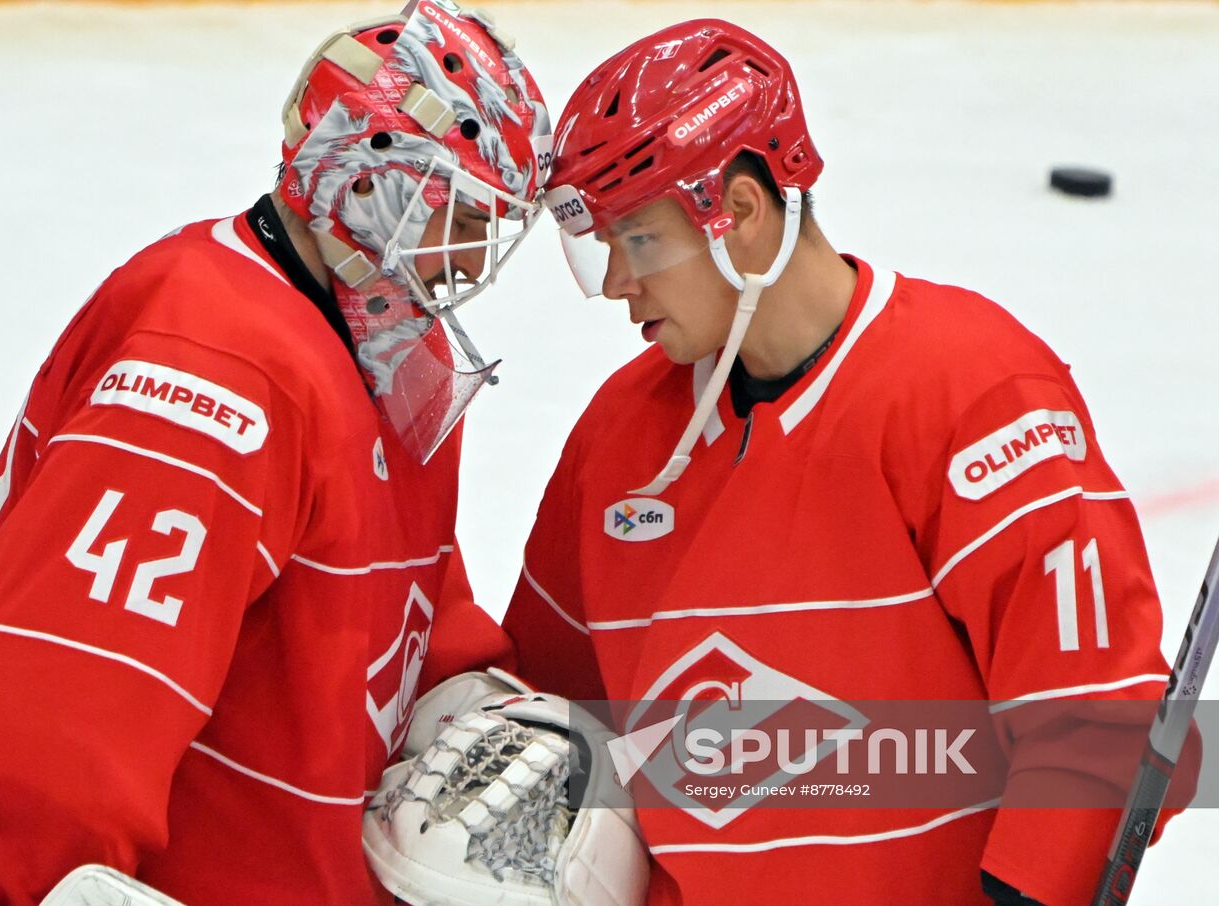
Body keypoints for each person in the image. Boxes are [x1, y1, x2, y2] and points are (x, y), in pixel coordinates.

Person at [0, 3, 550, 903]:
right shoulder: (215, 360)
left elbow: (402, 609)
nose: (477, 253)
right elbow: (62, 718)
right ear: (368, 183)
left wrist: (472, 702)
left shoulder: (395, 358)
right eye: (467, 212)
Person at [503, 19, 1197, 905]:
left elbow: (1098, 712)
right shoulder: (619, 441)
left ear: (741, 215)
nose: (613, 284)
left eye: (638, 241)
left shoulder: (971, 393)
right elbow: (546, 703)